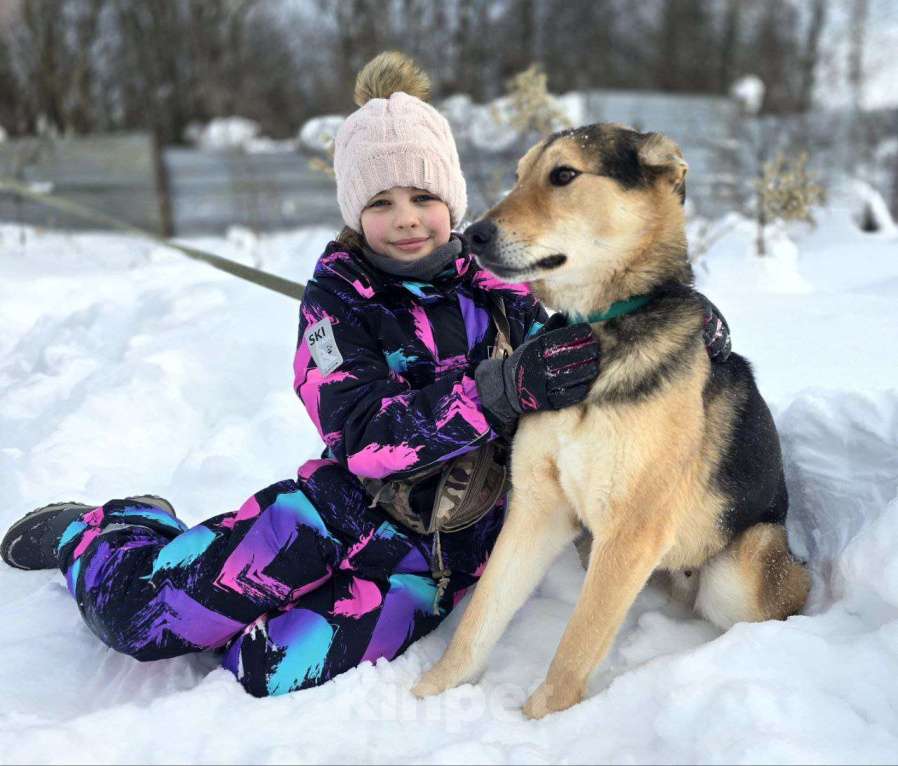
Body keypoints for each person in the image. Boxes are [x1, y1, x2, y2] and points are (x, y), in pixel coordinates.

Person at [0, 53, 730, 698]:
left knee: (262, 668)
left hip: (436, 562)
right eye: (381, 203)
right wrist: (499, 392)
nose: (406, 219)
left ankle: (202, 580)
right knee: (151, 621)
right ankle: (104, 534)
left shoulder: (504, 283)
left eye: (423, 198)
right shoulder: (336, 303)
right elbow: (362, 438)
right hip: (335, 516)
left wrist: (683, 320)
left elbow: (602, 310)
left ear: (452, 201)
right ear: (356, 211)